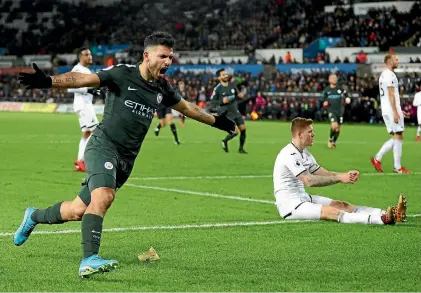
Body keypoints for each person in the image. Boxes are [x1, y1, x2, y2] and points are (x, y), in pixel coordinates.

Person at [14, 31, 237, 278]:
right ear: (146, 55)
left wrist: (217, 121)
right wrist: (50, 81)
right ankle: (89, 259)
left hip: (126, 160)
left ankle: (32, 216)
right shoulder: (122, 74)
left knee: (78, 210)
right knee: (104, 196)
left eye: (170, 57)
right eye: (163, 56)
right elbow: (82, 80)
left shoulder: (162, 88)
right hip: (103, 147)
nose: (168, 61)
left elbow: (187, 108)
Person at [273, 117, 407, 225]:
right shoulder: (289, 154)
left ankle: (391, 213)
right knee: (331, 212)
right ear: (299, 134)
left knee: (342, 205)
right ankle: (382, 219)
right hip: (290, 206)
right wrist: (338, 178)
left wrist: (343, 175)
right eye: (310, 132)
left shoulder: (305, 154)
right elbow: (309, 181)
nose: (314, 134)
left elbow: (322, 172)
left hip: (304, 198)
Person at [370, 53, 411, 173]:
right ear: (389, 61)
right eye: (396, 59)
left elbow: (389, 96)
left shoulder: (383, 74)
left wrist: (399, 110)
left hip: (386, 109)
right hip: (391, 110)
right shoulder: (390, 75)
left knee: (396, 137)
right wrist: (395, 111)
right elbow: (392, 94)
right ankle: (396, 167)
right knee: (399, 136)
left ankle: (378, 159)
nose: (398, 61)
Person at [68, 48, 102, 172]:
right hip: (83, 104)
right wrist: (88, 90)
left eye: (90, 54)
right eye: (87, 54)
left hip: (85, 104)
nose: (90, 57)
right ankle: (86, 160)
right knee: (97, 131)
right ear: (80, 57)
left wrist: (95, 90)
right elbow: (69, 88)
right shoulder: (77, 70)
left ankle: (80, 163)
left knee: (86, 133)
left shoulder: (86, 70)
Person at [210, 69, 247, 154]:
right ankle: (225, 141)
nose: (226, 76)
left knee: (243, 129)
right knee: (235, 132)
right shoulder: (217, 89)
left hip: (235, 111)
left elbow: (237, 94)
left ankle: (241, 149)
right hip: (227, 113)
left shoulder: (232, 85)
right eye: (223, 75)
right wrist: (222, 101)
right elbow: (212, 102)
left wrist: (240, 95)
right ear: (219, 77)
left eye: (226, 74)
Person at [321, 73, 349, 149]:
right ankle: (330, 139)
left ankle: (333, 141)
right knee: (334, 125)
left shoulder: (340, 88)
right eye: (333, 78)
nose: (335, 79)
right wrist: (325, 102)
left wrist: (347, 99)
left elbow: (347, 95)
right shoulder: (327, 89)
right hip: (331, 110)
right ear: (329, 80)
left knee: (338, 128)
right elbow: (322, 99)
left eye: (335, 78)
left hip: (340, 111)